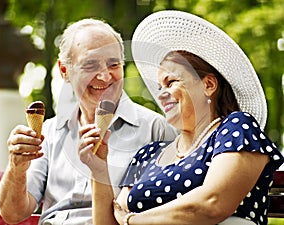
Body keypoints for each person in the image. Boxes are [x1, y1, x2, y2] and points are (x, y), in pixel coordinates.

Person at [80, 10, 284, 225]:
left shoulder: (236, 128)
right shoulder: (147, 154)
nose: (161, 93)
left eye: (171, 82)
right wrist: (99, 167)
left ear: (208, 85)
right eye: (159, 87)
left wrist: (133, 220)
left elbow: (211, 204)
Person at [0, 18, 178, 225]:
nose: (104, 76)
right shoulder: (50, 132)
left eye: (113, 64)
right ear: (65, 71)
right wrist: (16, 168)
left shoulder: (156, 130)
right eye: (90, 65)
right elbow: (13, 214)